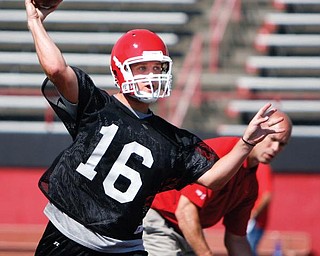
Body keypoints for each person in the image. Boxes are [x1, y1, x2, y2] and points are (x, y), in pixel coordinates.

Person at [25, 0, 285, 255]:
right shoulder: (97, 106)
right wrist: (35, 21)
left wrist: (246, 143)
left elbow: (213, 179)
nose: (152, 76)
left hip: (126, 246)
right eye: (142, 68)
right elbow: (57, 69)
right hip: (70, 234)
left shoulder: (172, 139)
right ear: (121, 71)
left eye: (157, 68)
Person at [143, 111, 292, 256]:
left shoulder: (250, 184)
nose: (275, 148)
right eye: (273, 139)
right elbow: (185, 211)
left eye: (282, 144)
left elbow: (236, 239)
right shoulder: (221, 152)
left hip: (187, 230)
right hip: (159, 218)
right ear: (260, 130)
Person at [247, 163, 273, 256]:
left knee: (248, 249)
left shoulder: (262, 166)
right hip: (243, 220)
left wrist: (254, 213)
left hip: (253, 223)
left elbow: (266, 196)